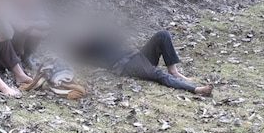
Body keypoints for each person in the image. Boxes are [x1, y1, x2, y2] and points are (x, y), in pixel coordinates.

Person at [72, 29, 213, 96]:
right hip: (127, 65)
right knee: (159, 75)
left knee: (162, 35)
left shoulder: (98, 38)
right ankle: (196, 89)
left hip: (136, 55)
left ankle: (174, 71)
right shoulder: (85, 51)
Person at [8, 0, 51, 70]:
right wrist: (32, 29)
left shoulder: (34, 4)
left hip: (26, 32)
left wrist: (30, 23)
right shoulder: (10, 2)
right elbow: (18, 26)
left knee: (43, 30)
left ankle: (27, 55)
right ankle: (16, 56)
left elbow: (46, 24)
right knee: (22, 31)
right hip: (7, 39)